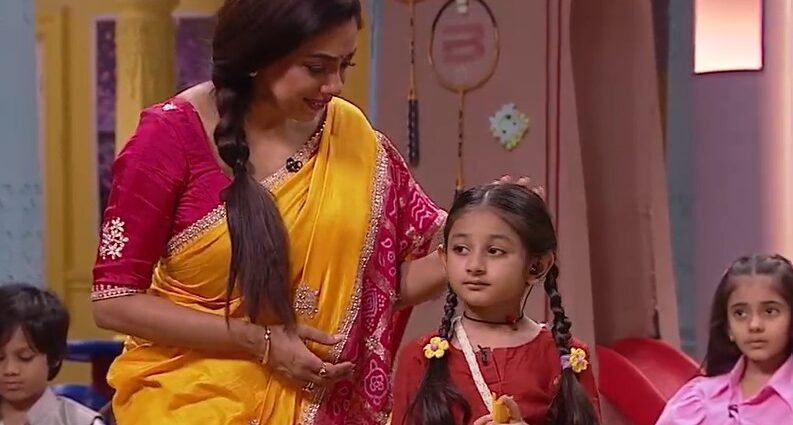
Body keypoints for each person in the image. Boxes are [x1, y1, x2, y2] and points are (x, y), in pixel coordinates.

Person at [90, 0, 530, 423]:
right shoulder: (168, 138)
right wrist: (261, 341)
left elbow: (374, 288)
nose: (335, 85)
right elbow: (114, 302)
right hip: (188, 404)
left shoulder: (351, 137)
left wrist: (487, 236)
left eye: (345, 65)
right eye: (316, 68)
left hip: (322, 403)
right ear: (257, 55)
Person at [390, 183, 601, 425]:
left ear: (537, 266)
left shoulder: (566, 356)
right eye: (461, 249)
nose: (474, 266)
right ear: (444, 259)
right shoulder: (419, 358)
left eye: (494, 251)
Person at [656, 254, 793, 425]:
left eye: (770, 311)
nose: (754, 325)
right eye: (740, 313)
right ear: (728, 327)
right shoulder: (698, 400)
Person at [0, 283, 104, 425]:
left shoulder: (80, 422)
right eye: (0, 358)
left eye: (25, 358)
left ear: (53, 357)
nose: (10, 370)